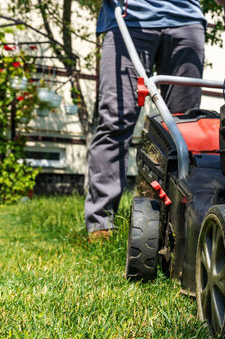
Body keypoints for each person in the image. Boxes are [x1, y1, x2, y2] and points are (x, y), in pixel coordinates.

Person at [85, 0, 206, 239]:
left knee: (183, 129)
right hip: (129, 17)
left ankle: (176, 223)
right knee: (115, 120)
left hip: (186, 19)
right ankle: (101, 224)